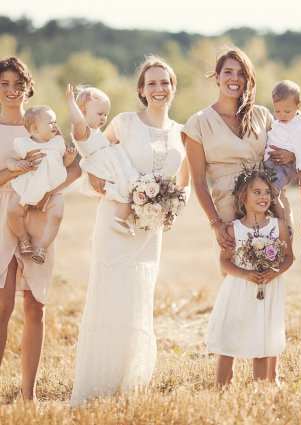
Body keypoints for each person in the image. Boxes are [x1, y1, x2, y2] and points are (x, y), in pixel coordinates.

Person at [70, 55, 190, 405]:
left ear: (173, 88)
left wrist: (169, 207)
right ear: (141, 89)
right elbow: (94, 155)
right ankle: (97, 386)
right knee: (109, 299)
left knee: (138, 301)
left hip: (149, 230)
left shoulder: (182, 133)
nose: (158, 88)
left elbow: (183, 184)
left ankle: (129, 385)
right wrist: (102, 181)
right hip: (114, 224)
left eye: (164, 82)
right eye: (151, 83)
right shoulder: (124, 123)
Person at [183, 46, 294, 381]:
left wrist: (291, 159)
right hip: (229, 209)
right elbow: (198, 180)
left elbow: (285, 150)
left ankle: (270, 374)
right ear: (217, 77)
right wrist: (215, 222)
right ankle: (226, 374)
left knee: (271, 279)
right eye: (228, 72)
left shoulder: (261, 116)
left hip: (267, 201)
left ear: (248, 79)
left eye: (241, 73)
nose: (234, 79)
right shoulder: (198, 123)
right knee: (237, 285)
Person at [0, 56, 81, 402]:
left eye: (18, 84)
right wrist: (17, 171)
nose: (12, 90)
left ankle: (28, 395)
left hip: (41, 213)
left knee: (36, 305)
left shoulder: (44, 124)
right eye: (4, 84)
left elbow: (73, 170)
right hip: (6, 214)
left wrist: (46, 193)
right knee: (3, 306)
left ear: (28, 87)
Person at [206, 170, 293, 387]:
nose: (263, 197)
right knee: (229, 335)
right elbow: (224, 262)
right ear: (243, 196)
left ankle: (260, 388)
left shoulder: (278, 226)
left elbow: (289, 257)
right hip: (239, 289)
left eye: (267, 192)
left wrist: (274, 271)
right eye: (257, 192)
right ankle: (221, 387)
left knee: (262, 337)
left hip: (268, 288)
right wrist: (246, 274)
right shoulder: (233, 229)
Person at [7, 105, 77, 264]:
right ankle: (23, 239)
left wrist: (69, 158)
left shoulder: (57, 142)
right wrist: (16, 165)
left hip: (52, 186)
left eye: (55, 121)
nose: (55, 125)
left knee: (57, 215)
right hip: (28, 184)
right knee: (12, 211)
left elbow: (63, 164)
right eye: (50, 122)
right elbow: (11, 160)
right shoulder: (24, 144)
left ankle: (42, 247)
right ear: (34, 128)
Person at [66, 84, 138, 236]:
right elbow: (77, 121)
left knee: (131, 186)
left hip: (111, 164)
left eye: (106, 114)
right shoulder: (83, 131)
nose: (104, 118)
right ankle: (118, 219)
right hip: (104, 168)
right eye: (99, 113)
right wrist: (71, 103)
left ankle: (120, 217)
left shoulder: (95, 131)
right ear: (82, 111)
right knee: (127, 189)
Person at [263, 80, 301, 189]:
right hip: (268, 162)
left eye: (287, 111)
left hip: (284, 166)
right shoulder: (276, 121)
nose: (282, 115)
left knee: (272, 187)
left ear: (298, 105)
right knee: (261, 184)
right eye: (277, 111)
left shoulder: (299, 127)